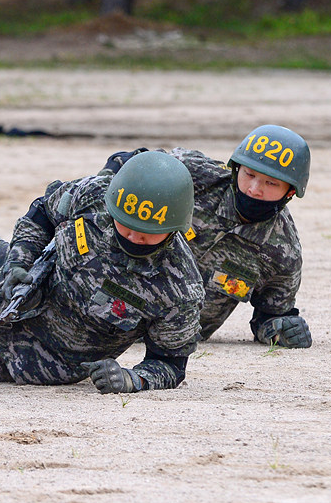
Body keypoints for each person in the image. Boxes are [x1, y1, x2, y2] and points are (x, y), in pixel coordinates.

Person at [0, 151, 205, 394]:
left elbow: (170, 364)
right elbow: (41, 213)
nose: (133, 237)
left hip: (23, 348)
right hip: (6, 271)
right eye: (125, 225)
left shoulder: (180, 288)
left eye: (147, 234)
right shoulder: (96, 193)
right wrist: (20, 261)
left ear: (173, 229)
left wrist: (131, 379)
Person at [98, 125, 312, 349]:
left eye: (271, 183)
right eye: (249, 174)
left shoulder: (284, 253)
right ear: (236, 169)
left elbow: (268, 317)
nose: (254, 189)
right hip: (101, 313)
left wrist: (282, 330)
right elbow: (127, 164)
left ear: (289, 192)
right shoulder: (195, 175)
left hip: (169, 340)